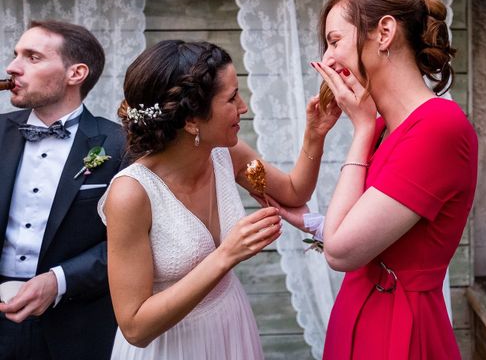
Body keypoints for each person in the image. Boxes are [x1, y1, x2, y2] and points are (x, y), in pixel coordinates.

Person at [268, 0, 477, 359]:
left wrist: (360, 128)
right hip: (356, 310)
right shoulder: (384, 127)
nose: (327, 59)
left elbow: (341, 252)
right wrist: (315, 222)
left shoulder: (438, 128)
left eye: (334, 41)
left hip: (401, 326)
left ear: (384, 33)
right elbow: (369, 225)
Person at [98, 39, 340, 359]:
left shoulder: (228, 154)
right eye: (231, 98)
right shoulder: (131, 194)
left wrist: (315, 134)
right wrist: (227, 254)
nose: (244, 107)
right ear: (191, 120)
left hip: (230, 324)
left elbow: (294, 192)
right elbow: (135, 326)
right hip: (171, 347)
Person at [0, 20, 127, 360]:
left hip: (78, 330)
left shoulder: (120, 145)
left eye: (33, 57)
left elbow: (131, 242)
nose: (12, 67)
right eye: (16, 55)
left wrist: (59, 281)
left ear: (76, 73)